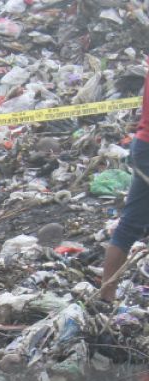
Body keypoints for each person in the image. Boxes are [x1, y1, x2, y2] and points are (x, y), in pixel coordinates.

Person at [98, 65, 149, 302]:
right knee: (130, 225)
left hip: (144, 146)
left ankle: (106, 298)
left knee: (130, 225)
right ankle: (106, 295)